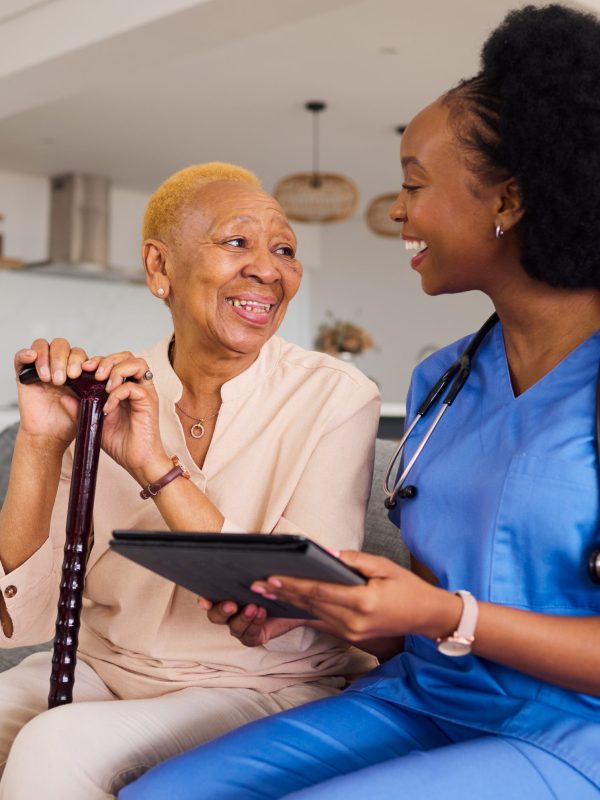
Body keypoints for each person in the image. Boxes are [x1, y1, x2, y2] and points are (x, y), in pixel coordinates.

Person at [121, 6, 600, 799]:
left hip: (573, 728)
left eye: (415, 183)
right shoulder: (444, 381)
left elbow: (444, 608)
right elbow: (420, 599)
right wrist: (320, 609)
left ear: (507, 199)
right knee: (160, 795)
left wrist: (446, 616)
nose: (401, 211)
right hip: (428, 697)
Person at [0, 162, 380, 798]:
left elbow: (288, 598)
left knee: (54, 748)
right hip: (105, 664)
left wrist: (153, 464)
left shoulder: (338, 397)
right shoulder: (108, 387)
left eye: (284, 249)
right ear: (159, 268)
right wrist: (41, 442)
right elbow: (28, 611)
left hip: (260, 685)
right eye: (237, 242)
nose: (268, 268)